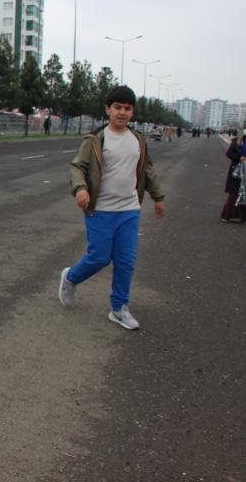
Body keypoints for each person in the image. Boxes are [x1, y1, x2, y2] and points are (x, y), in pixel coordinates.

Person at [59, 85, 165, 330]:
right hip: (101, 210)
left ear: (132, 111)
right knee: (99, 258)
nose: (122, 112)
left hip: (129, 210)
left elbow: (147, 169)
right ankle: (71, 277)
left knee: (126, 261)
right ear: (108, 109)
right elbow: (77, 167)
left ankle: (119, 308)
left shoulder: (138, 140)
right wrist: (81, 189)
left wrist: (158, 197)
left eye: (127, 108)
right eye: (117, 107)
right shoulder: (96, 140)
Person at [220, 129, 246, 223]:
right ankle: (226, 215)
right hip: (236, 171)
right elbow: (229, 153)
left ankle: (243, 217)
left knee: (244, 194)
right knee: (233, 194)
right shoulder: (236, 141)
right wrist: (239, 157)